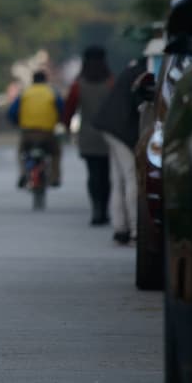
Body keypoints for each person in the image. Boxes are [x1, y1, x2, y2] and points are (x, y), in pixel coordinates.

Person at [90, 57, 148, 246]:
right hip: (122, 130)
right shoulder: (144, 75)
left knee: (118, 180)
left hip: (109, 127)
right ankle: (135, 230)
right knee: (131, 176)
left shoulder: (132, 71)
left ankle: (120, 229)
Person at [63, 46, 113, 227]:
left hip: (87, 135)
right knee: (106, 175)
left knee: (93, 174)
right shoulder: (111, 82)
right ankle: (105, 211)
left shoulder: (78, 85)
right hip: (107, 134)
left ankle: (96, 209)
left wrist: (67, 128)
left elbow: (69, 109)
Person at [7, 71, 63, 187]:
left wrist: (18, 123)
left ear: (33, 80)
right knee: (56, 153)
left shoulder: (25, 93)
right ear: (45, 80)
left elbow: (12, 112)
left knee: (21, 152)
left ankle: (23, 173)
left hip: (28, 133)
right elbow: (62, 110)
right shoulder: (52, 92)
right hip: (47, 133)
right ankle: (54, 177)